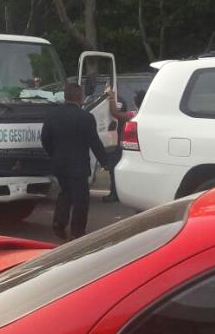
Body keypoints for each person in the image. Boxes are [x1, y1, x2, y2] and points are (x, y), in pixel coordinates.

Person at [41, 83, 110, 240]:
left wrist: (53, 154)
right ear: (80, 97)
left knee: (65, 192)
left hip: (59, 164)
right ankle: (77, 231)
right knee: (81, 198)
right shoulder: (86, 117)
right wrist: (105, 161)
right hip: (78, 165)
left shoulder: (52, 115)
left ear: (65, 96)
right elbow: (94, 142)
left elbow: (45, 139)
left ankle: (59, 222)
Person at [102, 88, 146, 202]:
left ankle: (115, 194)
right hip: (142, 148)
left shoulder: (134, 114)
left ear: (135, 102)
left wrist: (111, 98)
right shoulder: (147, 115)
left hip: (129, 146)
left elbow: (114, 113)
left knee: (114, 166)